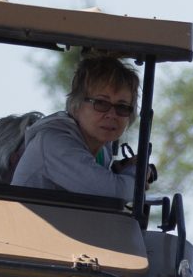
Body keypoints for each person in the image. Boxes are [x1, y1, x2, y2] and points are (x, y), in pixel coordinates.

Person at [11, 55, 149, 201]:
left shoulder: (103, 150)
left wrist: (121, 171)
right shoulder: (54, 143)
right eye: (101, 103)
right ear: (76, 106)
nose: (112, 115)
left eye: (122, 107)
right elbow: (116, 193)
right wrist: (138, 172)